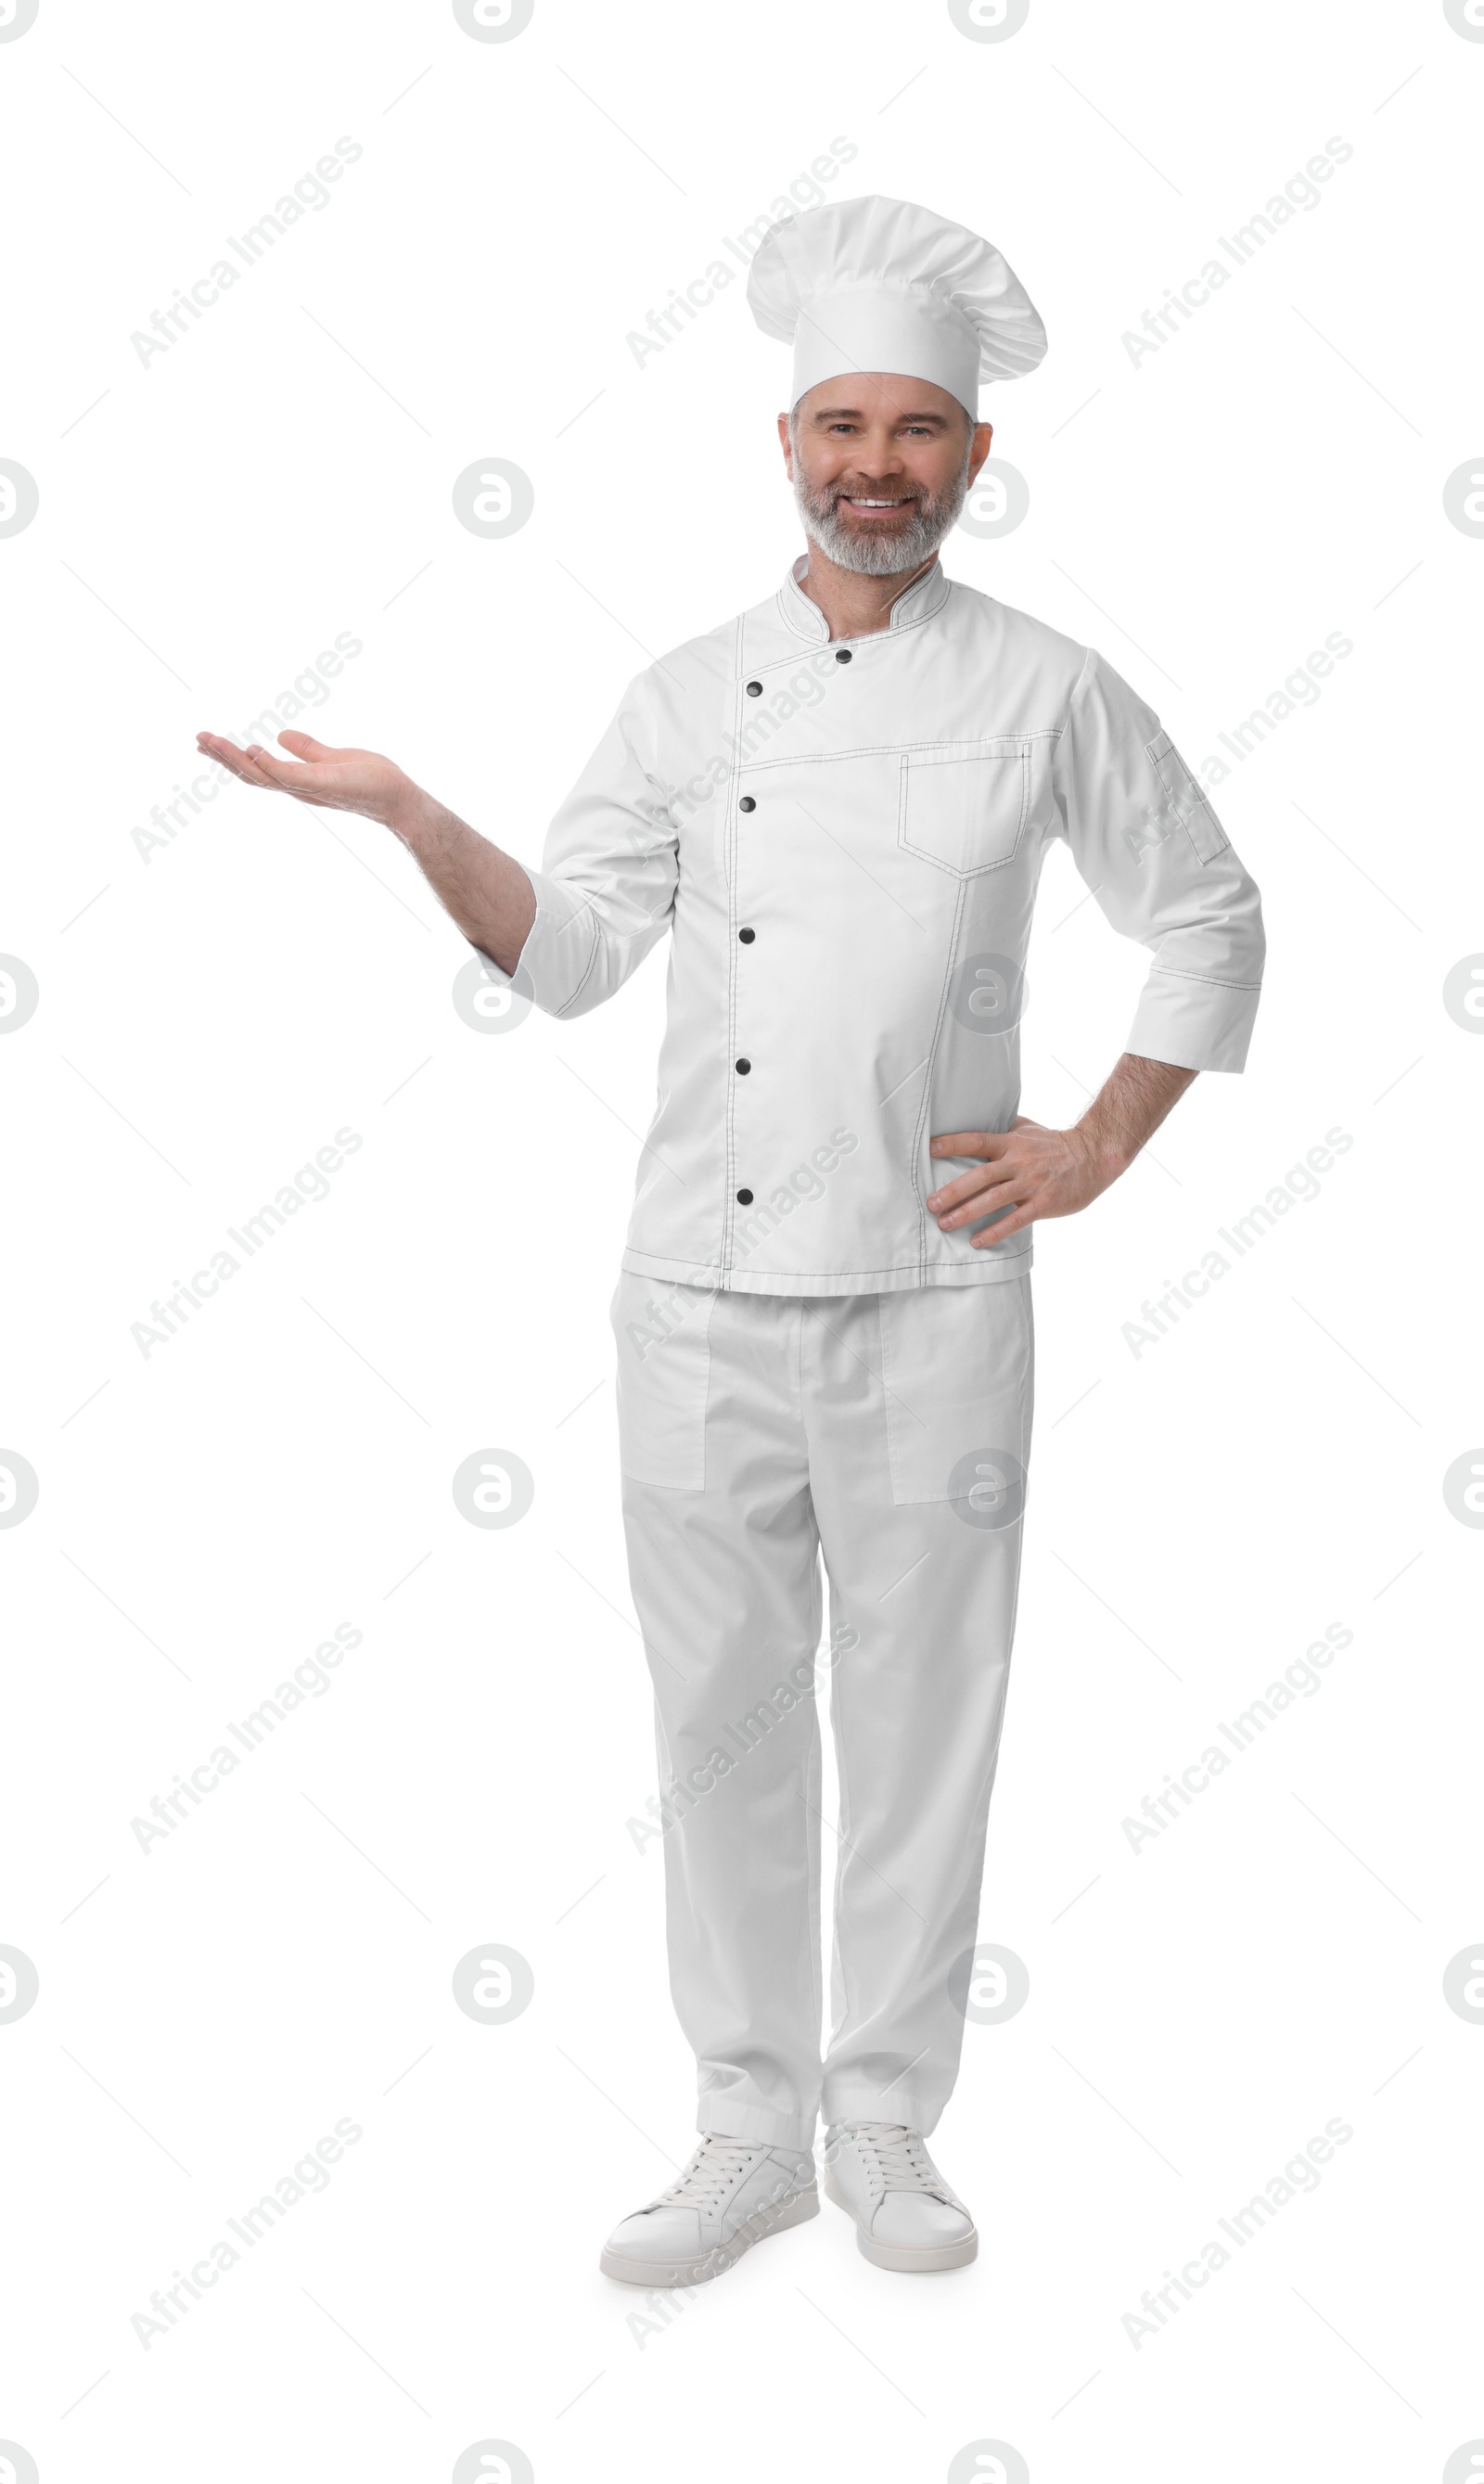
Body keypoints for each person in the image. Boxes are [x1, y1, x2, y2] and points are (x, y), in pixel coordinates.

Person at [198, 193, 1264, 2287]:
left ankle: (884, 2122)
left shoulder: (1049, 690)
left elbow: (1206, 910)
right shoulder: (685, 697)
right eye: (839, 425)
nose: (877, 465)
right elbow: (574, 956)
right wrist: (416, 818)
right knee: (719, 1719)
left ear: (973, 458)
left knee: (927, 1705)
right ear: (784, 444)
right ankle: (743, 2125)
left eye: (917, 433)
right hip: (694, 1293)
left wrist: (1099, 1144)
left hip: (942, 1285)